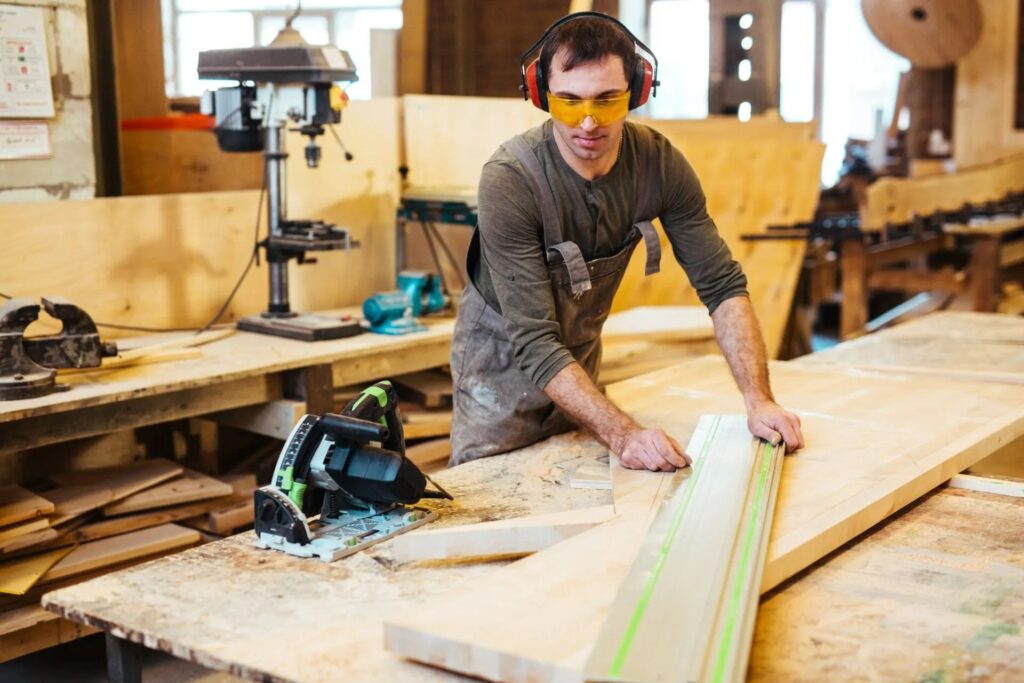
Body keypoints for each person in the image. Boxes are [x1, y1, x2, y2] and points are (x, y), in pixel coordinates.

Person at [449, 12, 804, 471]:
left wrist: (759, 401)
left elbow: (722, 287)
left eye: (608, 100)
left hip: (580, 383)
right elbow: (535, 340)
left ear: (637, 92)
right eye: (569, 102)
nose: (589, 121)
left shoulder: (658, 165)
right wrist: (625, 434)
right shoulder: (511, 181)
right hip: (496, 385)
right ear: (541, 96)